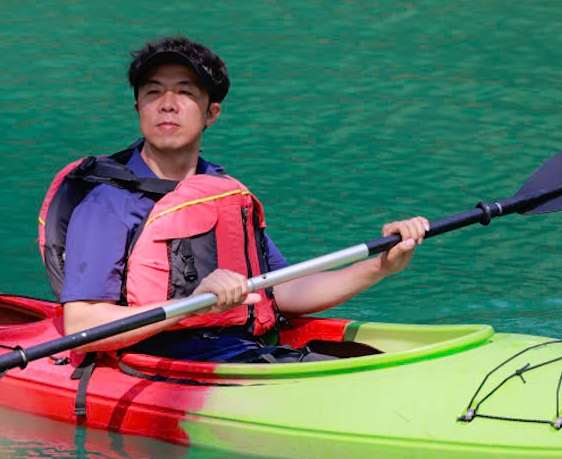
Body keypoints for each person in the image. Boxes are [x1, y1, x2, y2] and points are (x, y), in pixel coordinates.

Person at [38, 36, 429, 363]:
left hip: (235, 347)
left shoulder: (221, 191)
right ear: (138, 108)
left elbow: (284, 291)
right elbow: (82, 326)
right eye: (153, 93)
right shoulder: (108, 203)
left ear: (212, 113)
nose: (167, 104)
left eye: (185, 93)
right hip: (156, 363)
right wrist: (193, 304)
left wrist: (381, 266)